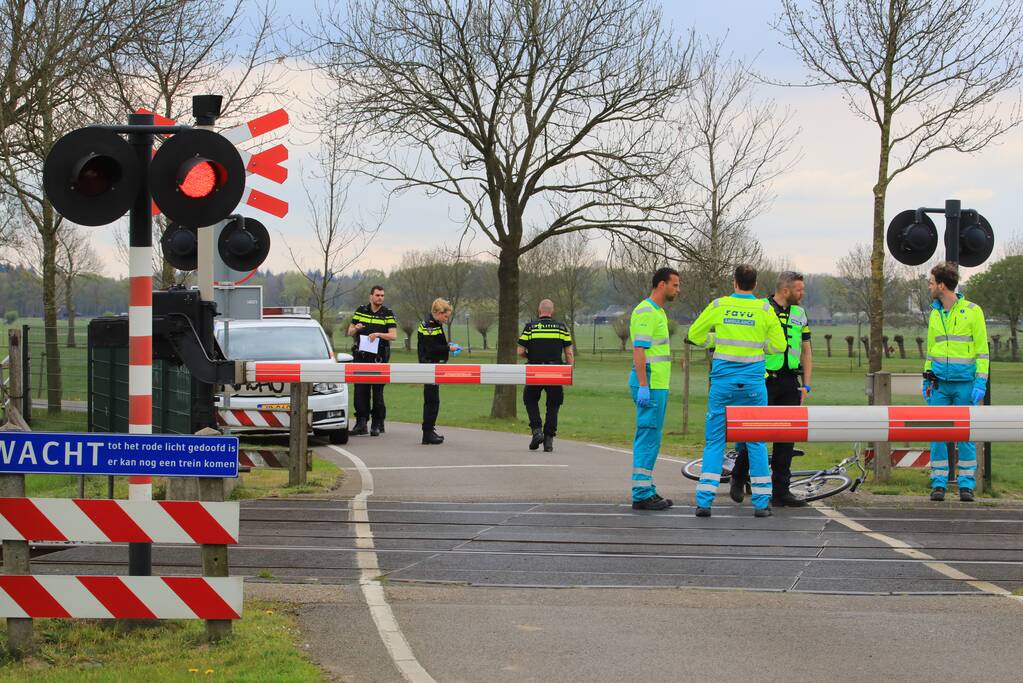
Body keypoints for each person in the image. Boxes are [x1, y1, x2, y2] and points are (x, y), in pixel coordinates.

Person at [687, 264, 786, 518]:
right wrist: (759, 345)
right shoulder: (764, 308)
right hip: (753, 386)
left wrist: (715, 340)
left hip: (722, 384)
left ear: (734, 282)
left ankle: (704, 501)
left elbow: (695, 335)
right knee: (756, 442)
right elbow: (779, 346)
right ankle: (762, 502)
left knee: (715, 442)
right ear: (755, 284)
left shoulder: (719, 306)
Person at [729, 271, 814, 508]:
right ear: (785, 291)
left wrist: (806, 384)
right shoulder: (761, 309)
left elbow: (806, 350)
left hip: (790, 382)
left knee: (786, 437)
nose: (802, 293)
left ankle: (781, 490)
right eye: (799, 289)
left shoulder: (800, 313)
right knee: (757, 433)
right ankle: (738, 476)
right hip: (764, 380)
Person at [923, 261, 989, 502]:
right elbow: (932, 350)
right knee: (937, 434)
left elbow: (982, 351)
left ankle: (966, 485)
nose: (929, 286)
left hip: (965, 385)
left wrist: (980, 382)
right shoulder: (935, 313)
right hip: (939, 384)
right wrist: (926, 377)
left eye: (931, 282)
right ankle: (939, 483)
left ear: (942, 285)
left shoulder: (973, 311)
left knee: (966, 435)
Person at [628, 267, 681, 511]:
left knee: (652, 437)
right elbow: (639, 349)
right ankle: (641, 493)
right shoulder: (647, 312)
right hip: (649, 383)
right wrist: (643, 385)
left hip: (657, 383)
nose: (677, 290)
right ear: (661, 284)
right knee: (648, 436)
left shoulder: (657, 311)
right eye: (675, 285)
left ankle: (646, 487)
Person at [517, 299, 575, 452]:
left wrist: (529, 356)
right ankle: (548, 440)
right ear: (552, 311)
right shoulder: (561, 328)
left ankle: (537, 431)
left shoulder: (530, 327)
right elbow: (568, 352)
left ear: (539, 310)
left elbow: (520, 351)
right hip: (555, 371)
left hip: (535, 370)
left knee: (530, 400)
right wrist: (569, 370)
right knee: (553, 405)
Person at [347, 285, 398, 436]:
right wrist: (356, 328)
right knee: (360, 391)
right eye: (377, 295)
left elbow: (393, 335)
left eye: (382, 295)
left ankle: (377, 423)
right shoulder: (361, 311)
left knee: (377, 391)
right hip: (361, 356)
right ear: (371, 296)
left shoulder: (387, 313)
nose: (380, 298)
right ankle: (361, 423)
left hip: (379, 357)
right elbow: (349, 331)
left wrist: (378, 334)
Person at [417, 298, 461, 445]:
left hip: (432, 366)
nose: (446, 319)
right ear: (438, 312)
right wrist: (449, 348)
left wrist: (446, 345)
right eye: (445, 316)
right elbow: (431, 349)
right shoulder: (430, 326)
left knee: (432, 400)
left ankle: (430, 430)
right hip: (429, 366)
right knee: (432, 400)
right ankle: (427, 433)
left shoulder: (434, 324)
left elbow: (434, 344)